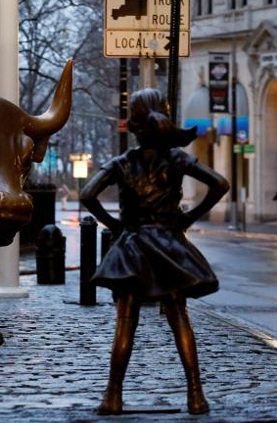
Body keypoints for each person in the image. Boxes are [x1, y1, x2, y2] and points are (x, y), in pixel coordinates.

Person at [80, 89, 229, 415]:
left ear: (133, 124)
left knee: (125, 324)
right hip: (169, 246)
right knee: (179, 319)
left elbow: (87, 193)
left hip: (132, 248)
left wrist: (116, 225)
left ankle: (113, 396)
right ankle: (196, 396)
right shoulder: (177, 159)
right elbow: (220, 183)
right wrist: (189, 217)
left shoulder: (123, 162)